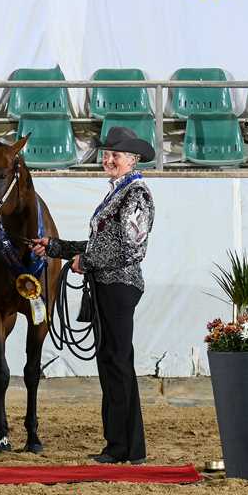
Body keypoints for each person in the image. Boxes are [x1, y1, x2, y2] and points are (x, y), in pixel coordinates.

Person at [32, 126, 156, 464]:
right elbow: (102, 244)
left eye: (116, 154)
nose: (109, 159)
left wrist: (85, 262)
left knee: (117, 362)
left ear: (133, 159)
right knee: (111, 362)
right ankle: (119, 445)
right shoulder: (121, 193)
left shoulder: (136, 195)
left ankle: (125, 447)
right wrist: (56, 248)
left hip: (118, 286)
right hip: (107, 285)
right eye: (107, 153)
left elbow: (130, 249)